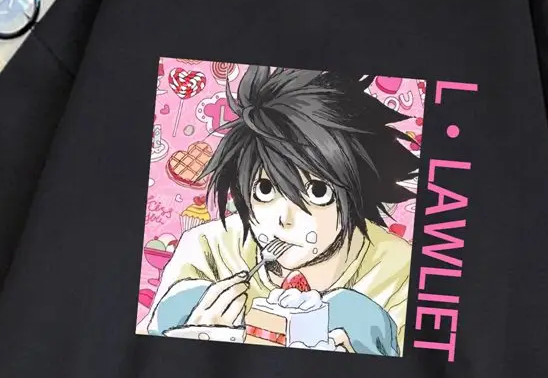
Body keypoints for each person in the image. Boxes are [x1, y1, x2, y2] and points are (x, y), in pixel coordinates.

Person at [137, 65, 419, 355]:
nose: (284, 219)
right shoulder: (208, 250)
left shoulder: (401, 271)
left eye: (318, 192)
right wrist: (191, 340)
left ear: (356, 191)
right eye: (265, 189)